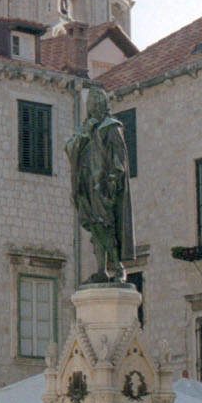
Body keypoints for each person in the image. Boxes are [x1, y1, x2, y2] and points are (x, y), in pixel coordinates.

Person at [65, 84, 135, 282]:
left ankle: (118, 267)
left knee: (106, 225)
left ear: (104, 104)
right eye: (91, 103)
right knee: (94, 226)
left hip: (104, 185)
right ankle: (101, 270)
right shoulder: (85, 128)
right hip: (86, 184)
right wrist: (85, 132)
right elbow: (69, 148)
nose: (94, 106)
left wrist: (112, 182)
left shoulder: (111, 127)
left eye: (97, 103)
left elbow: (119, 157)